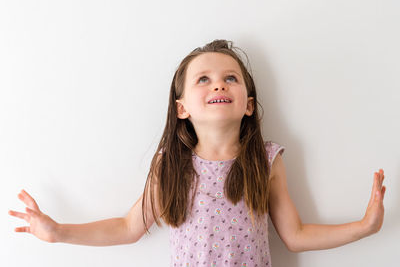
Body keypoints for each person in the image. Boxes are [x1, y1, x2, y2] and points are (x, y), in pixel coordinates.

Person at [9, 39, 386, 266]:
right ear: (181, 108)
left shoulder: (266, 160)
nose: (218, 83)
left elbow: (296, 235)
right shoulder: (171, 165)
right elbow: (128, 227)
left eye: (230, 77)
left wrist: (364, 227)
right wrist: (58, 232)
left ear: (249, 104)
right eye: (203, 78)